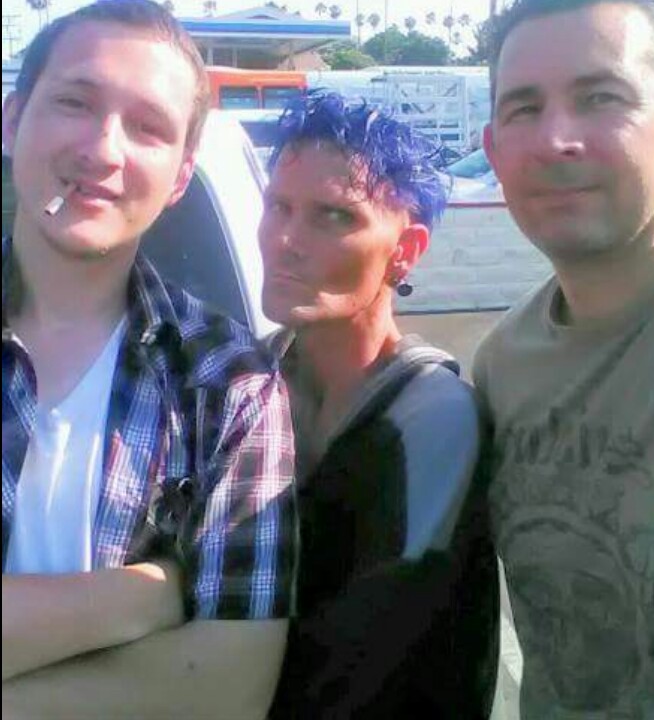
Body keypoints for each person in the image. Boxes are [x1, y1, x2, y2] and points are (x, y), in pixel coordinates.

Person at [1, 2, 295, 718]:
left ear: (180, 177)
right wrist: (144, 598)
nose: (104, 150)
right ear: (11, 121)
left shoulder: (230, 383)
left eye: (148, 128)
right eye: (75, 102)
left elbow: (229, 692)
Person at [474, 1, 654, 718]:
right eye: (524, 109)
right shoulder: (501, 366)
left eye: (600, 98)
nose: (556, 140)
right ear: (493, 151)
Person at [259, 91, 499, 719]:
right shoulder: (252, 385)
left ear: (406, 249)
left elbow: (356, 660)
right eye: (278, 206)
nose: (285, 240)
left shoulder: (433, 416)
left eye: (334, 217)